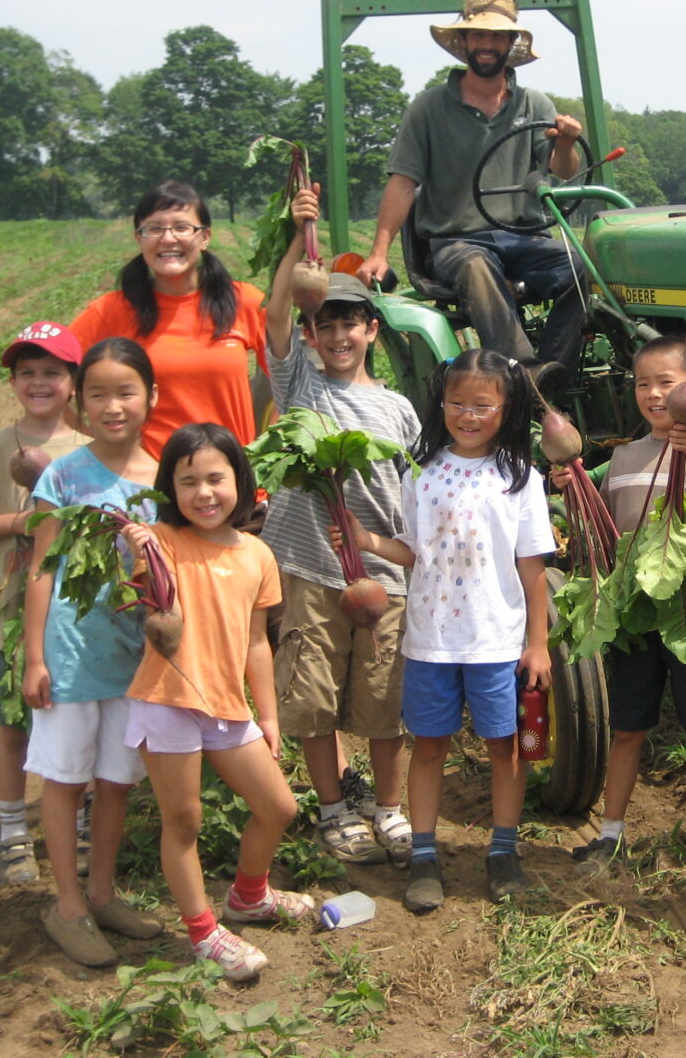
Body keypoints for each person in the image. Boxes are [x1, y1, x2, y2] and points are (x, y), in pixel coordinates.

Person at [348, 350, 554, 913]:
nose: (467, 415)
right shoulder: (422, 473)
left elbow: (533, 569)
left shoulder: (521, 478)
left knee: (504, 747)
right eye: (456, 403)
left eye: (482, 405)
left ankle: (502, 850)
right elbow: (413, 551)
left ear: (506, 409)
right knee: (430, 746)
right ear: (440, 404)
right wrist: (367, 542)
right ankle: (423, 855)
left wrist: (537, 645)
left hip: (496, 640)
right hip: (430, 640)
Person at [262, 185, 421, 868]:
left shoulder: (398, 409)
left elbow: (415, 499)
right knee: (312, 698)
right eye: (324, 326)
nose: (337, 337)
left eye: (350, 324)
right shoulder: (300, 386)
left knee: (385, 700)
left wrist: (395, 553)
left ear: (371, 331)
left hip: (382, 574)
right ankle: (333, 809)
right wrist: (299, 239)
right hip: (311, 569)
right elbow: (274, 315)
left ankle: (388, 807)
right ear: (310, 335)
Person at [121, 424, 313, 983]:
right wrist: (140, 549)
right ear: (170, 489)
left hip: (228, 706)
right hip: (169, 699)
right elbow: (158, 610)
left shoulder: (258, 554)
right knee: (184, 821)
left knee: (279, 808)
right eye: (188, 483)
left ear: (240, 482)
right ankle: (203, 933)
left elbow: (256, 643)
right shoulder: (162, 541)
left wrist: (268, 715)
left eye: (215, 479)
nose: (204, 493)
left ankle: (249, 897)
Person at [357, 0, 587, 392]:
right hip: (458, 241)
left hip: (525, 238)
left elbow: (562, 170)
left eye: (497, 36)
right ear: (463, 41)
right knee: (477, 265)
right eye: (479, 34)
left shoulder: (534, 104)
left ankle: (556, 371)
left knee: (587, 266)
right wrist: (378, 253)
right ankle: (525, 375)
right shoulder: (429, 109)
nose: (487, 44)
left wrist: (566, 143)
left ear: (510, 44)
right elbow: (403, 182)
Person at [563, 337, 686, 871]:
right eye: (643, 384)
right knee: (627, 727)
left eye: (666, 383)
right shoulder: (622, 457)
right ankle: (611, 832)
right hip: (634, 617)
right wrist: (571, 486)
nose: (654, 394)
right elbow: (602, 531)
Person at [23, 337, 164, 966]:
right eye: (98, 394)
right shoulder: (63, 475)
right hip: (72, 652)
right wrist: (35, 658)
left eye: (126, 392)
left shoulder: (162, 478)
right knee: (64, 780)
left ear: (151, 396)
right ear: (79, 402)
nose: (113, 406)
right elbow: (41, 569)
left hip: (132, 656)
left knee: (115, 781)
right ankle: (67, 904)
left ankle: (103, 894)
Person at [0, 322, 88, 887]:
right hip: (10, 614)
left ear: (73, 381)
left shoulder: (88, 449)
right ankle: (12, 831)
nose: (38, 382)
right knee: (13, 726)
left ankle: (76, 824)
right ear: (12, 382)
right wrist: (22, 522)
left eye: (52, 372)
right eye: (26, 372)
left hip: (76, 617)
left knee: (75, 721)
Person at [72, 180, 270, 460]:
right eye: (154, 228)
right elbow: (55, 380)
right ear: (139, 238)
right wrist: (102, 447)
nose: (167, 239)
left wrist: (270, 451)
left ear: (205, 237)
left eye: (181, 227)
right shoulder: (109, 311)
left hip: (230, 478)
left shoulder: (244, 301)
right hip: (146, 483)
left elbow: (292, 380)